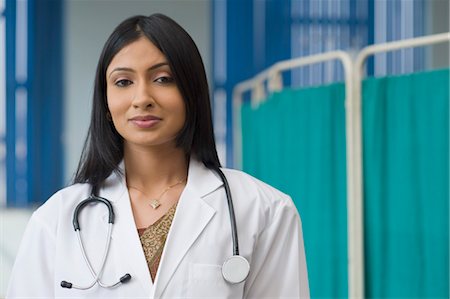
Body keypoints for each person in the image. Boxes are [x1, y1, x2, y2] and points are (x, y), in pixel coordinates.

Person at [6, 14, 309, 298]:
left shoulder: (264, 210)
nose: (142, 99)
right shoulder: (55, 219)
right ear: (106, 102)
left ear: (192, 93)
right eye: (123, 82)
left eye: (163, 79)